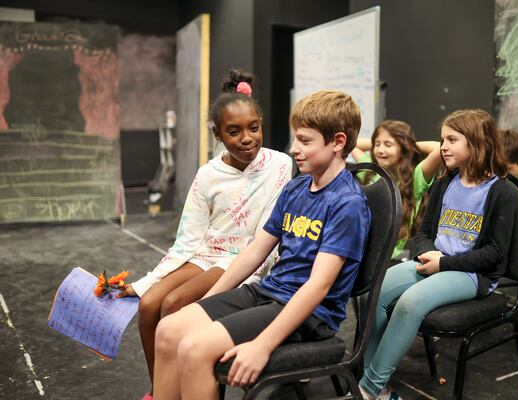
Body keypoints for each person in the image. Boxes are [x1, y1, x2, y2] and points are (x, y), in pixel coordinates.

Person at [151, 90, 371, 400]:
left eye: (305, 141)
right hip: (269, 292)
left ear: (337, 142)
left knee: (194, 349)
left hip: (310, 313)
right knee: (169, 330)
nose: (294, 149)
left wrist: (262, 345)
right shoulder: (295, 188)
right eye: (295, 139)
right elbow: (255, 251)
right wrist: (209, 303)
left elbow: (318, 287)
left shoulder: (346, 203)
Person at [118, 69, 292, 400]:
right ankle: (161, 389)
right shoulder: (208, 175)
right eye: (234, 131)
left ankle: (185, 388)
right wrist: (142, 284)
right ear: (217, 134)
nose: (247, 138)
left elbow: (265, 240)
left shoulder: (280, 164)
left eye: (254, 128)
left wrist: (249, 270)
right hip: (207, 255)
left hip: (245, 260)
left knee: (173, 305)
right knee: (149, 304)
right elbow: (187, 241)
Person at [358, 109, 514, 400]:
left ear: (477, 142)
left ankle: (367, 388)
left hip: (470, 274)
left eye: (452, 139)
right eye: (442, 139)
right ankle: (377, 386)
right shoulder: (445, 182)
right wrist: (429, 253)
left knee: (410, 302)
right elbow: (424, 231)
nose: (443, 146)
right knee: (372, 292)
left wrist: (444, 263)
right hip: (435, 261)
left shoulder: (501, 192)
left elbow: (495, 253)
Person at [351, 120, 442, 260]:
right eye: (377, 144)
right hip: (362, 251)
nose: (381, 150)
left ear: (403, 147)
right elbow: (350, 143)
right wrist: (382, 140)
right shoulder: (371, 169)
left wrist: (410, 144)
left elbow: (440, 148)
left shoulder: (416, 176)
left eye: (388, 145)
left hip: (392, 256)